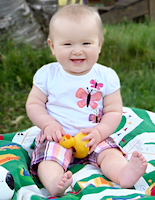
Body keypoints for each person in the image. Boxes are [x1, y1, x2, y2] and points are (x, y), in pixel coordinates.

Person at [26, 4, 147, 197]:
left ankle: (123, 174)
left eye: (86, 43)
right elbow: (34, 104)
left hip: (92, 136)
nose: (77, 51)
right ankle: (54, 182)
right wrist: (47, 124)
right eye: (67, 44)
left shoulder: (106, 76)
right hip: (59, 136)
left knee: (110, 154)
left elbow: (114, 111)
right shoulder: (47, 74)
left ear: (99, 44)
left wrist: (100, 132)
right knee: (48, 159)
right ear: (52, 46)